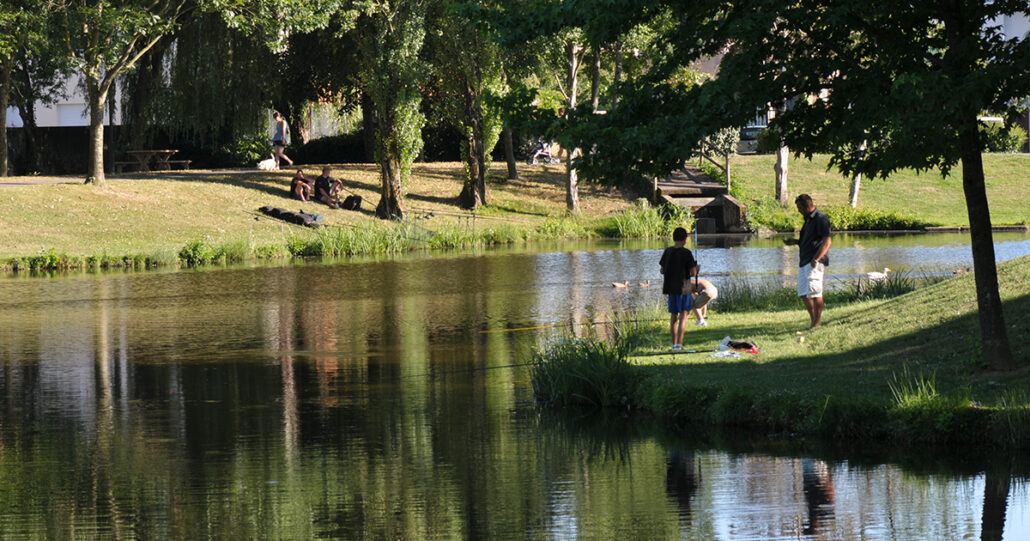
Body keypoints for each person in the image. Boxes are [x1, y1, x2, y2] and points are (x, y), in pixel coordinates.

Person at [784, 194, 832, 329]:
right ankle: (813, 321)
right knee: (804, 293)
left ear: (807, 205)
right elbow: (810, 241)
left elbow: (827, 241)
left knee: (815, 292)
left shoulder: (820, 219)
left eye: (800, 207)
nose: (798, 210)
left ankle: (817, 323)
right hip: (804, 261)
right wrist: (796, 242)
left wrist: (816, 259)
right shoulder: (808, 220)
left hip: (814, 262)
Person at [659, 227, 698, 351]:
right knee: (683, 316)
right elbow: (693, 273)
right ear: (685, 240)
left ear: (673, 238)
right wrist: (696, 269)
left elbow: (662, 270)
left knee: (673, 317)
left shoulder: (667, 251)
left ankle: (674, 344)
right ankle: (679, 345)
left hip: (671, 288)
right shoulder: (686, 253)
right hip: (684, 288)